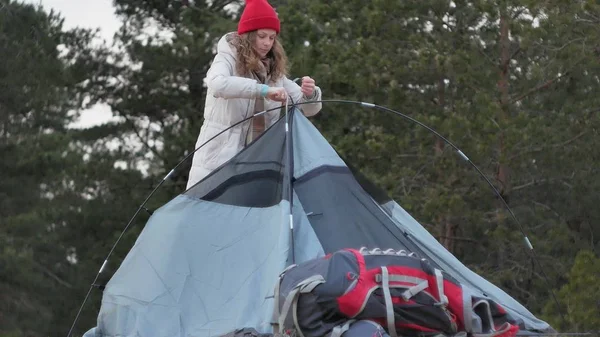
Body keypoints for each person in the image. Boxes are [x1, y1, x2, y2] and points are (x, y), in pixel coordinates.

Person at [186, 0, 323, 189]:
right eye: (262, 36)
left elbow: (306, 109)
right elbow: (217, 84)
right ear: (249, 35)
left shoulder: (274, 72)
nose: (267, 43)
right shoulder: (227, 57)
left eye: (272, 38)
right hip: (216, 162)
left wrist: (310, 93)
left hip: (258, 163)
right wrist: (263, 91)